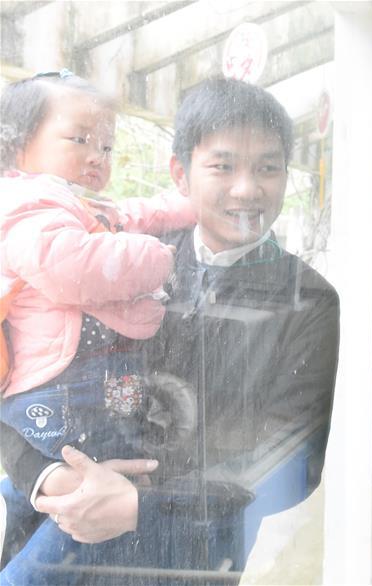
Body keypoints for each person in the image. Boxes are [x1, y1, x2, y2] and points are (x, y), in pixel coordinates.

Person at [0, 78, 340, 584]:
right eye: (222, 166)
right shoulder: (112, 258)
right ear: (180, 174)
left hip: (183, 560)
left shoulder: (307, 298)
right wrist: (48, 475)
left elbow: (294, 465)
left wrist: (142, 505)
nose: (247, 189)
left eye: (268, 167)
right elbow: (16, 382)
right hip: (54, 543)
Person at [0, 71, 195, 493]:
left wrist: (195, 203)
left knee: (103, 484)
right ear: (19, 146)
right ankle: (32, 560)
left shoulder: (76, 202)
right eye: (80, 140)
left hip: (96, 380)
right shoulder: (27, 204)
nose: (97, 156)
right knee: (82, 498)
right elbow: (67, 267)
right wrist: (156, 259)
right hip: (60, 390)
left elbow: (141, 213)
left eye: (106, 146)